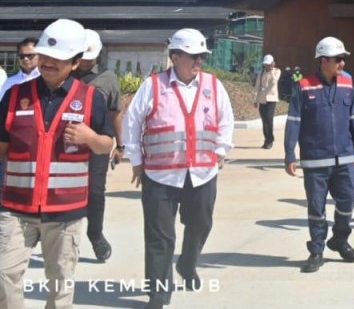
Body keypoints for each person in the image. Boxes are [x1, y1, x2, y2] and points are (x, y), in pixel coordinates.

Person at [0, 19, 114, 309]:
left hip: (65, 212)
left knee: (60, 282)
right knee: (4, 274)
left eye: (58, 58)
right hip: (16, 207)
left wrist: (90, 137)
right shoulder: (14, 95)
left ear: (76, 62)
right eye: (44, 56)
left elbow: (106, 145)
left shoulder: (91, 99)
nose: (48, 62)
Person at [123, 28, 234, 309]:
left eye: (201, 57)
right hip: (160, 175)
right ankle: (158, 294)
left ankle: (187, 262)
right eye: (194, 56)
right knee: (160, 236)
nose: (199, 62)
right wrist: (136, 160)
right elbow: (132, 123)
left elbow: (226, 120)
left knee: (201, 224)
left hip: (202, 173)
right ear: (175, 57)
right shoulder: (153, 85)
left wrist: (220, 151)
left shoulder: (212, 85)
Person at [285, 37, 354, 272]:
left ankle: (340, 238)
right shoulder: (304, 85)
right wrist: (290, 154)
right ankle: (316, 250)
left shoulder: (348, 83)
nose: (342, 63)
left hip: (345, 157)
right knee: (317, 208)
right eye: (338, 59)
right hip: (315, 159)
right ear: (323, 60)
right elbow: (294, 121)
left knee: (348, 198)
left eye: (343, 59)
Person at [77, 29, 123, 263]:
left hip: (97, 144)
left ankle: (95, 234)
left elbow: (115, 112)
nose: (86, 60)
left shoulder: (107, 78)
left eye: (90, 56)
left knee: (95, 191)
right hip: (65, 145)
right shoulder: (63, 75)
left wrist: (120, 144)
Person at [254, 54, 281, 150]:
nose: (266, 66)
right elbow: (257, 86)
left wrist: (272, 70)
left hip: (271, 99)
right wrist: (255, 99)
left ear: (272, 63)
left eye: (268, 64)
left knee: (269, 119)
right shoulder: (261, 73)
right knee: (264, 121)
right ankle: (266, 140)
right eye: (265, 64)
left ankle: (270, 139)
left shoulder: (277, 71)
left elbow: (274, 81)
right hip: (262, 99)